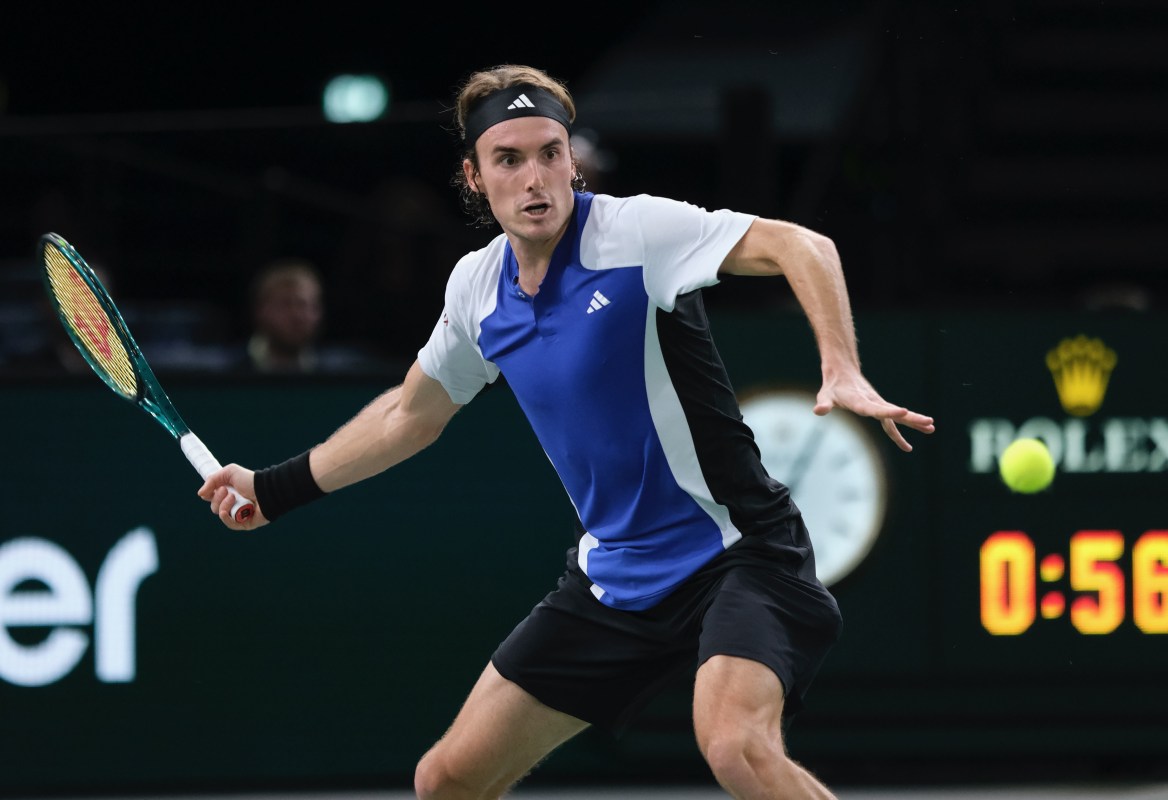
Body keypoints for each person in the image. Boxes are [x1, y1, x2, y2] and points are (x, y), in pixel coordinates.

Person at [199, 64, 935, 799]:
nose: (535, 178)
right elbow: (406, 416)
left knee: (735, 746)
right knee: (446, 779)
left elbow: (802, 245)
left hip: (739, 554)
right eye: (509, 160)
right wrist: (272, 490)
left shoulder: (636, 233)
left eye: (550, 152)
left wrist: (841, 367)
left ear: (570, 158)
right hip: (616, 577)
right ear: (474, 176)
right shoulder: (477, 289)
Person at [236, 257, 383, 374]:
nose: (297, 316)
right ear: (260, 311)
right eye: (285, 304)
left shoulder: (345, 373)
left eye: (304, 305)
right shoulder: (223, 372)